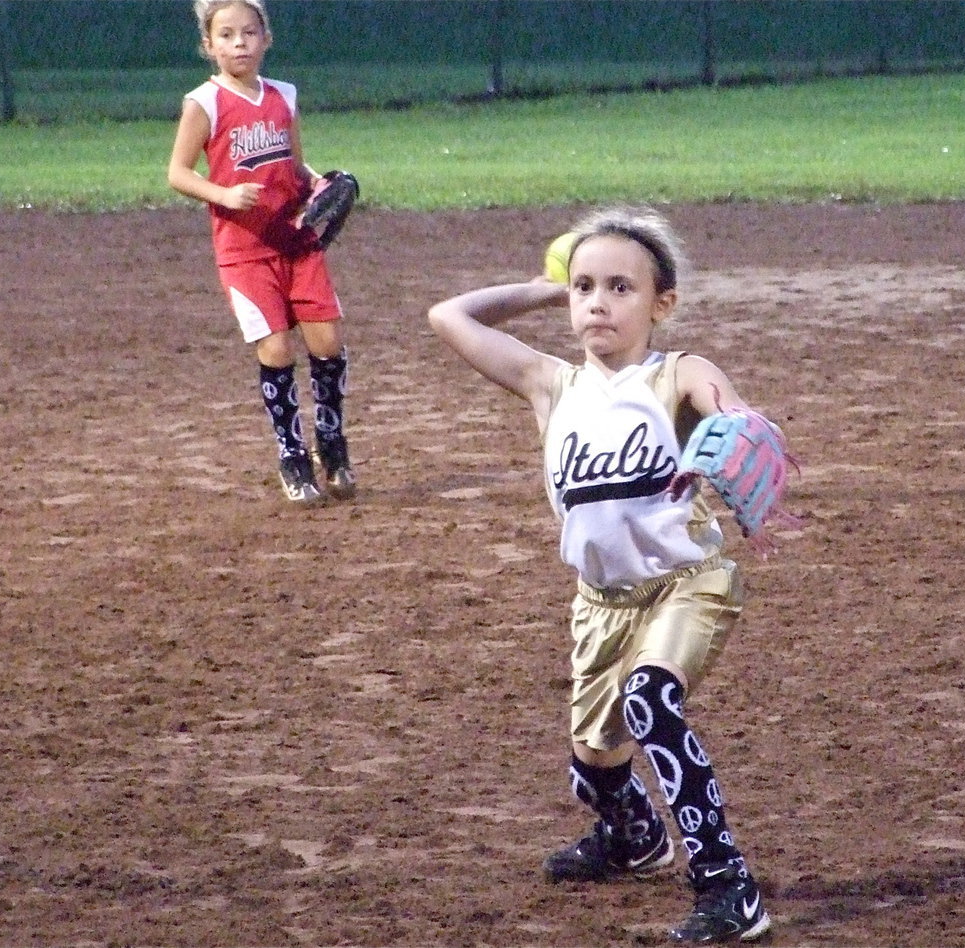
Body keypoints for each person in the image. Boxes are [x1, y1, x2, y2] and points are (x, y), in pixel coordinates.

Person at [428, 206, 778, 943]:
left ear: (663, 303)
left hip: (687, 584)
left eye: (621, 287)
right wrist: (544, 287)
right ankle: (634, 840)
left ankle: (727, 886)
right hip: (599, 607)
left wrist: (735, 424)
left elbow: (726, 404)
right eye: (585, 286)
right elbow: (448, 315)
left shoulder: (676, 373)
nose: (597, 301)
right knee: (594, 770)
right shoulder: (549, 385)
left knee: (651, 701)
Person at [168, 0, 355, 504]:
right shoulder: (203, 103)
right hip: (244, 251)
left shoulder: (284, 96)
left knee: (327, 343)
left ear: (266, 38)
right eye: (226, 35)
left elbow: (293, 165)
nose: (239, 44)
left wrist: (317, 182)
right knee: (275, 349)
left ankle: (332, 445)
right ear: (208, 45)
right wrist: (225, 195)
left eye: (249, 33)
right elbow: (178, 173)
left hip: (297, 241)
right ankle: (292, 456)